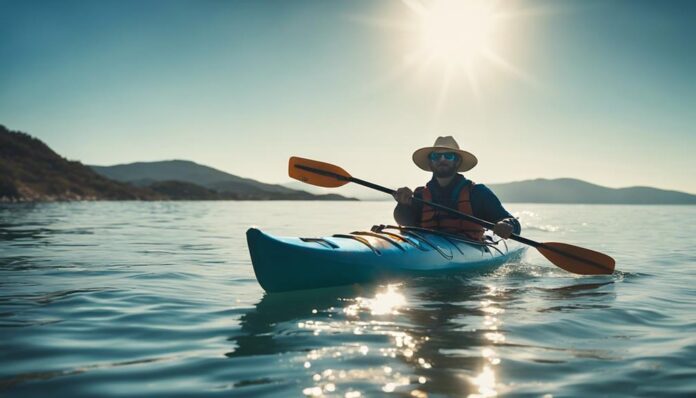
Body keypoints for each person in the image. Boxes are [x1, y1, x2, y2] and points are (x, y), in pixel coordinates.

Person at [393, 136, 520, 240]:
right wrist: (402, 204)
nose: (442, 159)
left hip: (471, 249)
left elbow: (514, 225)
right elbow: (405, 222)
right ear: (430, 162)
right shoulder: (420, 195)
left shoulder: (478, 193)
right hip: (428, 248)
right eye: (436, 156)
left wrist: (508, 225)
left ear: (457, 161)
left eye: (448, 155)